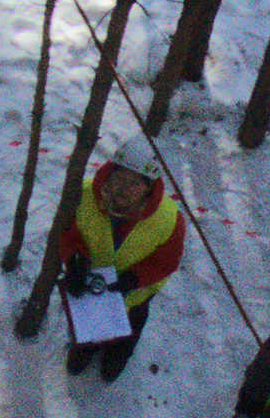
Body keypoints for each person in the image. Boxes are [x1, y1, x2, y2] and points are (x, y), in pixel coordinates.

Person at [56, 154, 184, 382]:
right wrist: (74, 258)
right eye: (120, 177)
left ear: (149, 188)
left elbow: (167, 261)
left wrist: (134, 279)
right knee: (89, 323)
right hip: (92, 284)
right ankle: (86, 349)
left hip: (135, 292)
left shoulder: (169, 219)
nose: (124, 188)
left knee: (130, 326)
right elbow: (67, 230)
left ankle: (118, 355)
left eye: (135, 183)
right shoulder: (84, 194)